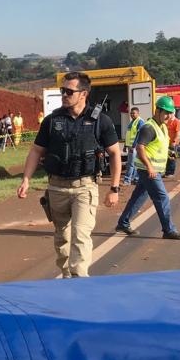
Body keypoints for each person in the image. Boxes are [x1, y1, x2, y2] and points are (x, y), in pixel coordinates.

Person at [18, 72, 122, 278]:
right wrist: (26, 179)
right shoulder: (52, 120)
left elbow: (114, 153)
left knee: (81, 235)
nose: (64, 95)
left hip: (85, 187)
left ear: (83, 94)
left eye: (69, 91)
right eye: (62, 91)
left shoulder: (100, 121)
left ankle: (78, 280)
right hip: (56, 187)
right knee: (62, 238)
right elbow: (36, 151)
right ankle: (67, 277)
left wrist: (114, 188)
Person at [114, 95, 180, 240]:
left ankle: (123, 223)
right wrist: (150, 168)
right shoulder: (149, 127)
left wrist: (170, 153)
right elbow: (140, 148)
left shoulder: (162, 127)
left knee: (139, 197)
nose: (168, 116)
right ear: (157, 111)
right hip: (149, 171)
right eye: (166, 112)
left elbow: (158, 146)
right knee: (162, 197)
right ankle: (168, 230)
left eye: (170, 113)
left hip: (152, 170)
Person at [122, 106, 144, 186]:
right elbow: (128, 135)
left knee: (130, 164)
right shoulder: (132, 122)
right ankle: (135, 179)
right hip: (130, 146)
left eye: (133, 113)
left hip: (134, 146)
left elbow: (139, 135)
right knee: (133, 164)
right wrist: (125, 145)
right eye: (131, 113)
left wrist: (133, 146)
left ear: (138, 113)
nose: (132, 115)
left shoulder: (140, 122)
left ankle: (127, 180)